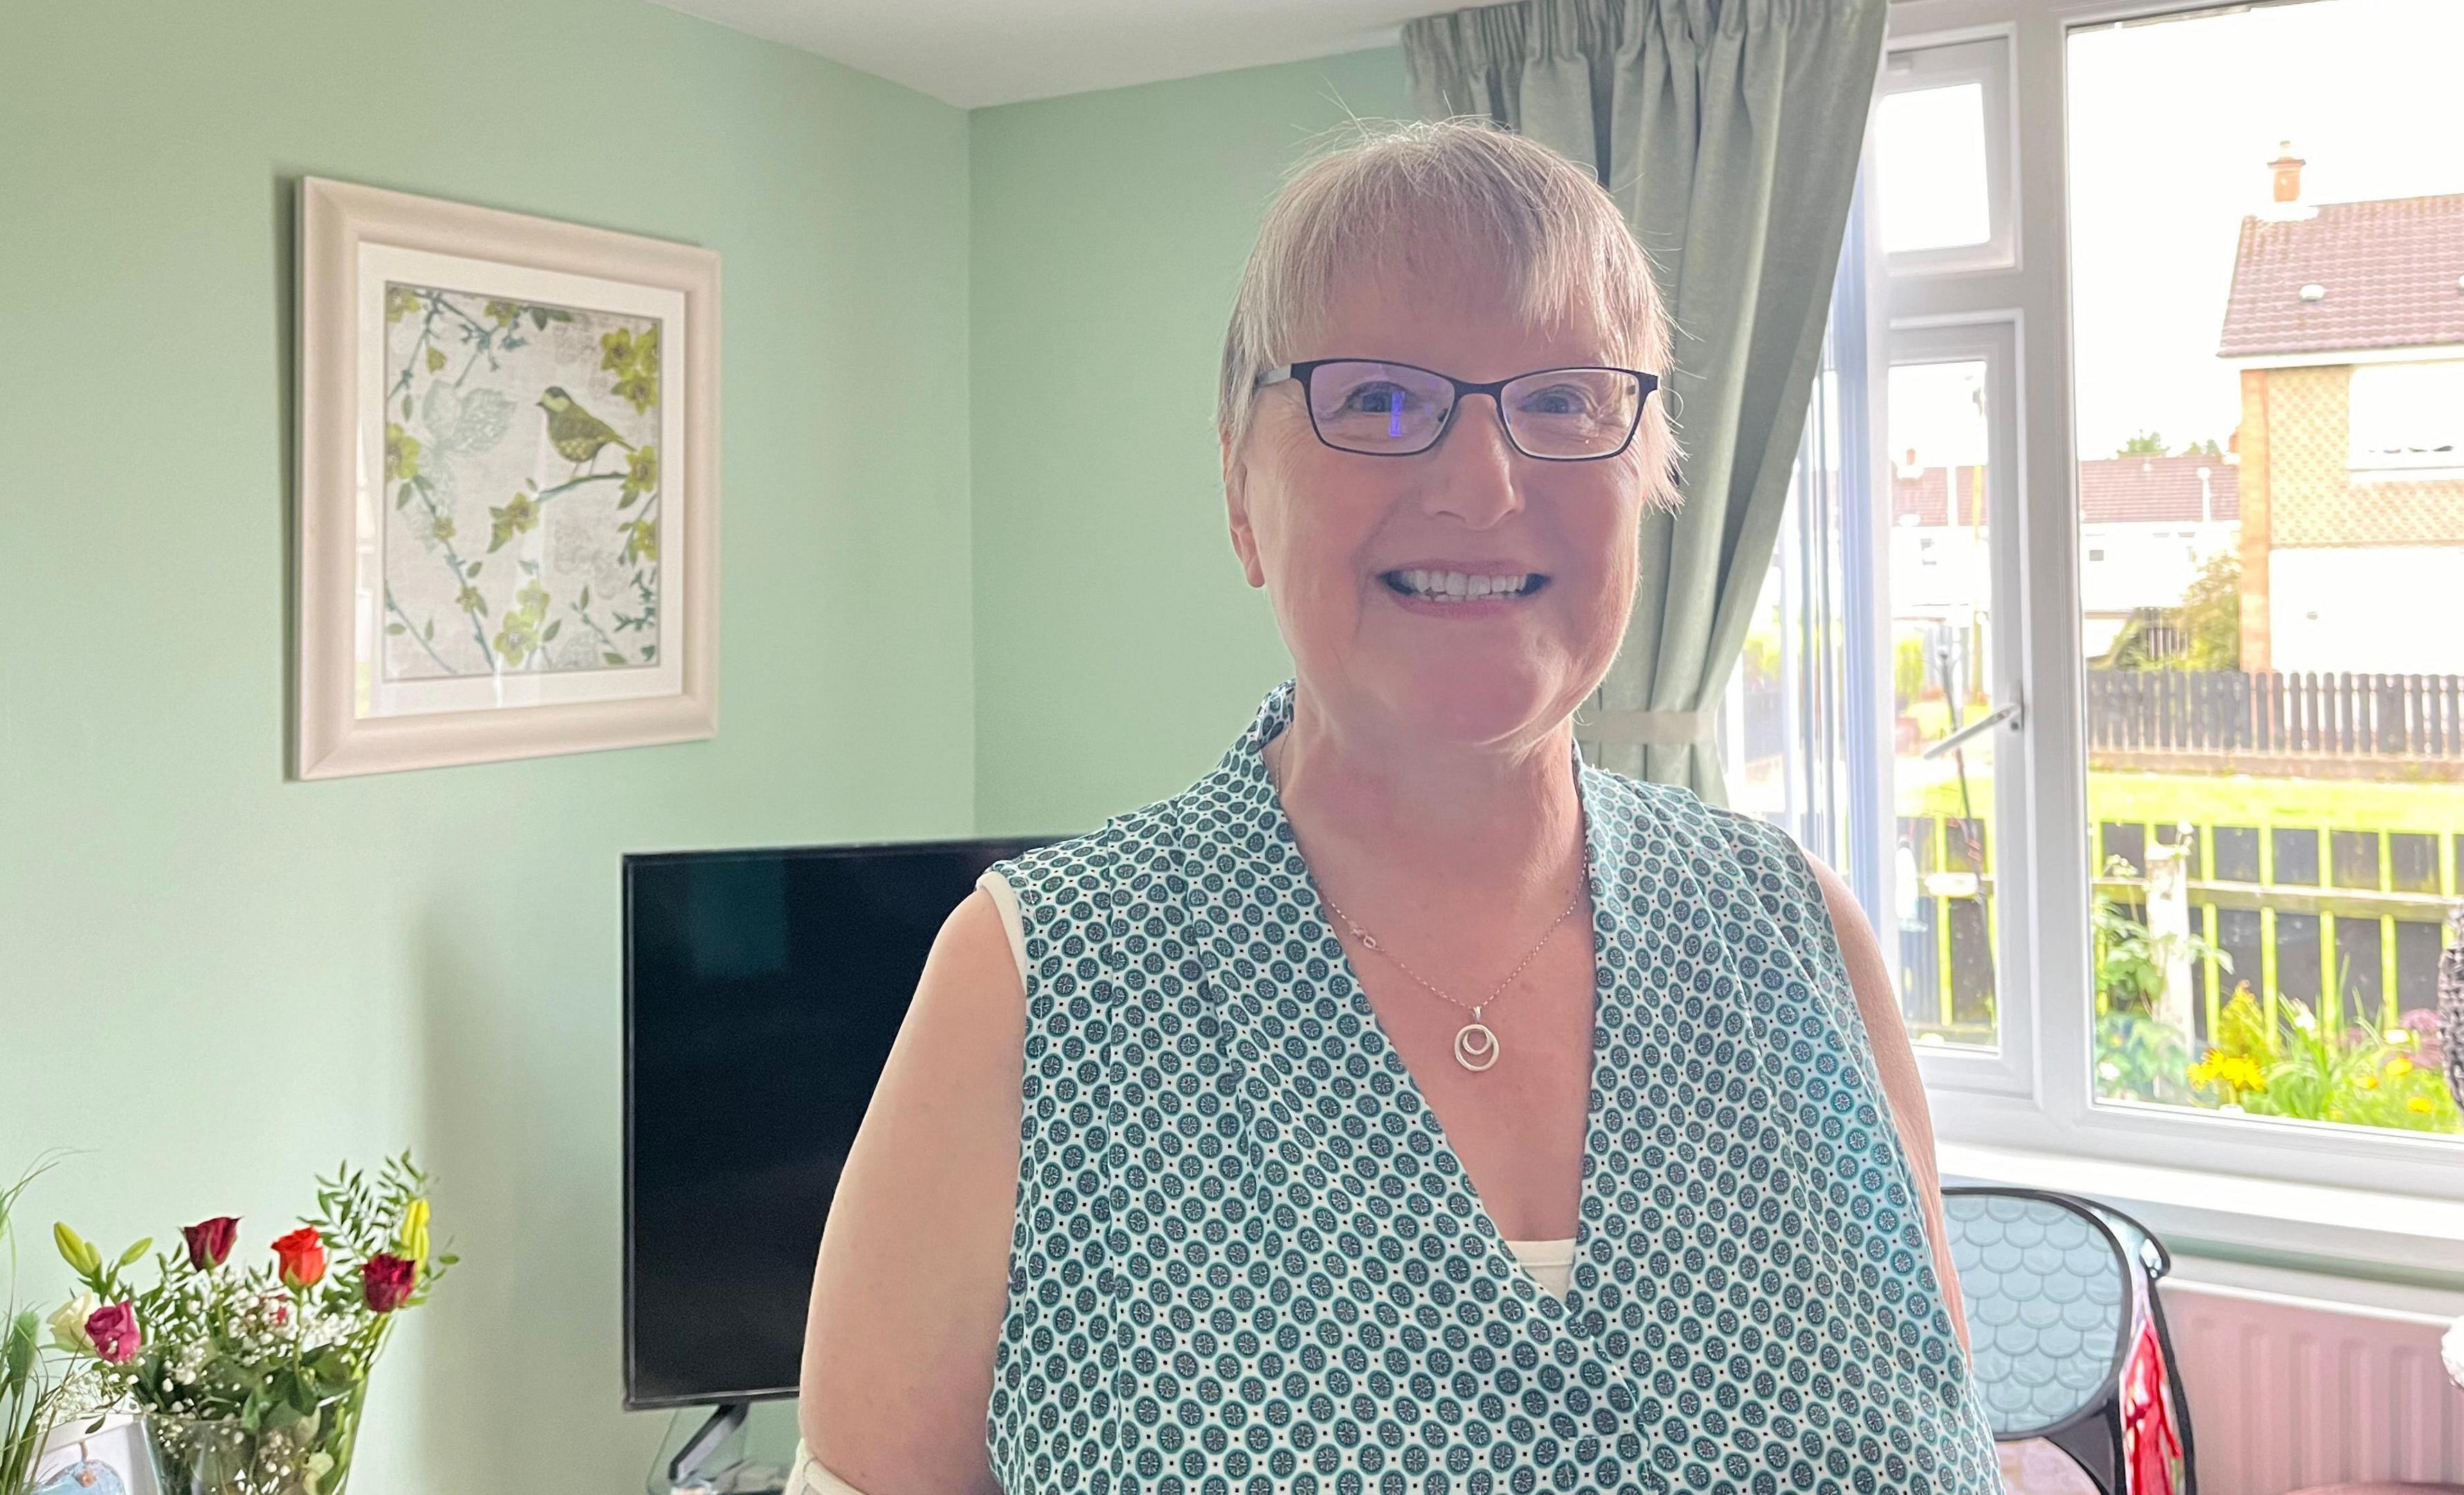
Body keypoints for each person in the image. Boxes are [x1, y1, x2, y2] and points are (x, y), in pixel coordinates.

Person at [793, 120, 1998, 1495]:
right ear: (1242, 496)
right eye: (1373, 400)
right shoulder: (1035, 987)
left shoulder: (1799, 941)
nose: (1482, 481)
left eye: (1559, 401)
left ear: (1650, 475)